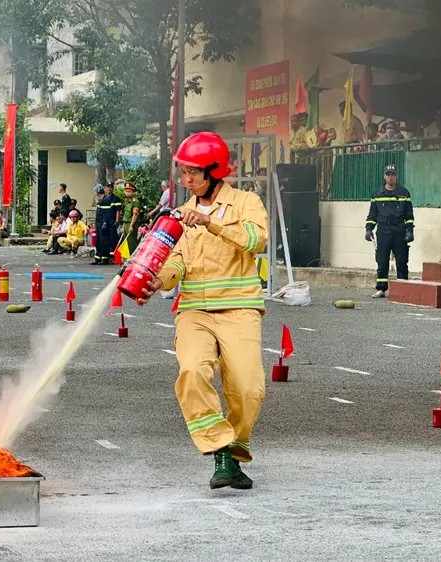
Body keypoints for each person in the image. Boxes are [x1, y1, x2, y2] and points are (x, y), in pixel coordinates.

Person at [134, 132, 269, 490]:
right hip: (194, 311)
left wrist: (211, 222)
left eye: (193, 172)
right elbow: (174, 262)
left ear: (215, 171)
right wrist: (155, 281)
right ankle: (221, 451)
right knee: (193, 372)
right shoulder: (179, 215)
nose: (186, 180)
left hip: (240, 309)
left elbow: (257, 240)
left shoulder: (246, 202)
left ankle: (235, 453)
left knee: (248, 388)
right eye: (182, 173)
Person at [365, 164, 414, 298]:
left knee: (402, 260)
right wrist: (369, 229)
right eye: (388, 174)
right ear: (384, 176)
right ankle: (381, 289)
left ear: (397, 176)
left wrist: (410, 231)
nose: (390, 177)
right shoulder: (377, 194)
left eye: (393, 174)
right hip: (383, 230)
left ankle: (403, 288)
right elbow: (372, 215)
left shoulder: (404, 193)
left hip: (399, 230)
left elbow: (409, 215)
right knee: (382, 260)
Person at [92, 182, 121, 265]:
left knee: (106, 240)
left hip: (107, 223)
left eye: (110, 187)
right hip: (99, 224)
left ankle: (105, 258)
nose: (109, 189)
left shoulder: (108, 200)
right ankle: (98, 258)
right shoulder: (102, 200)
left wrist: (110, 222)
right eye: (107, 187)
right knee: (99, 241)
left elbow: (108, 213)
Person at [120, 183, 143, 254]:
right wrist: (124, 225)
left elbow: (135, 215)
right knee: (126, 243)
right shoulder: (127, 202)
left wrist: (131, 226)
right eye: (126, 191)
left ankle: (133, 258)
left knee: (132, 243)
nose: (127, 193)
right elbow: (126, 215)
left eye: (129, 191)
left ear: (133, 192)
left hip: (132, 224)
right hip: (126, 223)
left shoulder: (135, 203)